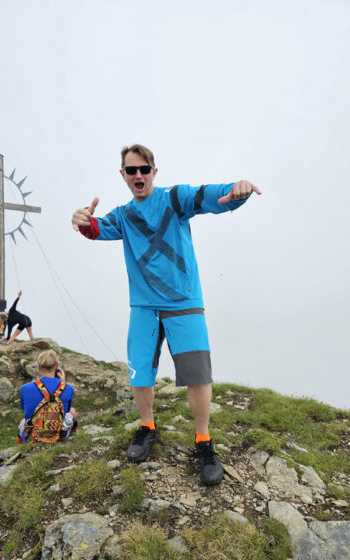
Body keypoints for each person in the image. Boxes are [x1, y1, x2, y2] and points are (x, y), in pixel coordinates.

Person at [71, 144, 261, 485]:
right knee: (140, 371)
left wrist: (237, 191)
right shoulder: (123, 216)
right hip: (144, 305)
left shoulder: (175, 199)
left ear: (154, 172)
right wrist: (83, 221)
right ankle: (148, 428)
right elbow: (97, 229)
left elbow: (208, 196)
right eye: (132, 171)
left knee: (197, 374)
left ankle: (204, 442)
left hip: (184, 301)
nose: (139, 175)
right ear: (124, 176)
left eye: (144, 169)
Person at [18, 349, 77, 443]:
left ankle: (23, 446)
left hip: (35, 433)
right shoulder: (68, 388)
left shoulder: (25, 388)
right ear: (57, 366)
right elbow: (66, 411)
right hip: (56, 434)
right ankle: (67, 438)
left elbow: (25, 410)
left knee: (23, 421)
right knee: (72, 411)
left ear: (39, 367)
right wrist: (63, 383)